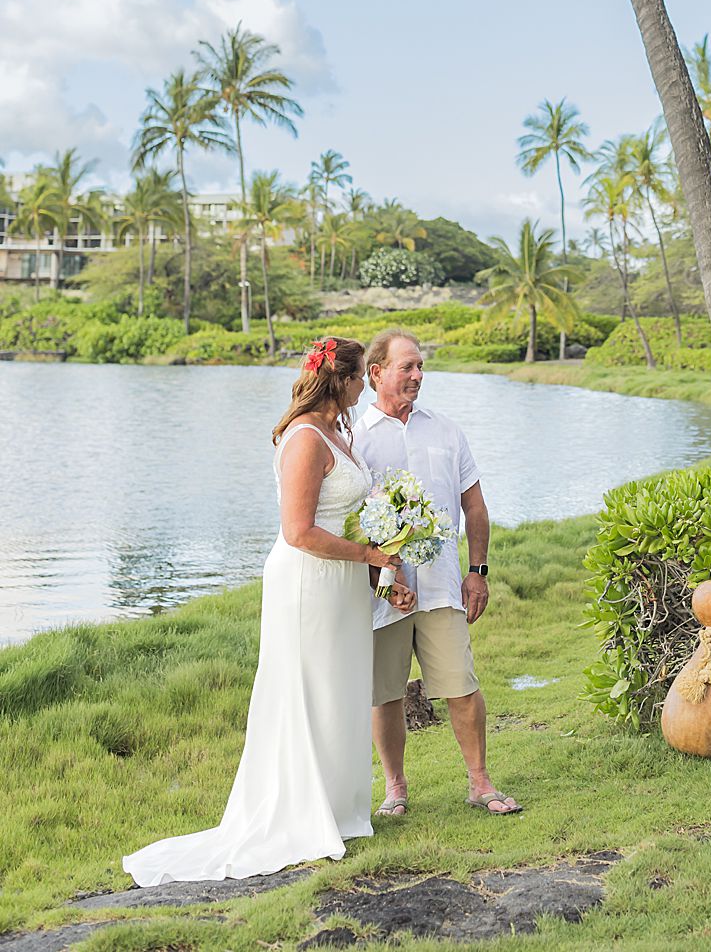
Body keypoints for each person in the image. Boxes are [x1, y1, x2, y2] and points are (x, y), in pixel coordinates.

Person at [123, 337, 415, 886]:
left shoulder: (337, 430)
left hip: (344, 581)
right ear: (345, 380)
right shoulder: (306, 436)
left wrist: (381, 576)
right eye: (358, 380)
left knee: (337, 688)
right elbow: (300, 532)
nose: (362, 389)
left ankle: (335, 805)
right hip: (308, 581)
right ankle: (297, 812)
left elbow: (348, 521)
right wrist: (374, 555)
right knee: (304, 688)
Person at [358, 329, 521, 818]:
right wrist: (383, 578)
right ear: (376, 373)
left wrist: (477, 571)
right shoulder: (354, 440)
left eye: (421, 366)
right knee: (384, 693)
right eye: (407, 367)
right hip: (384, 592)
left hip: (443, 585)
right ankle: (395, 788)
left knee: (462, 686)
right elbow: (349, 524)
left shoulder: (447, 430)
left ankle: (480, 783)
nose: (417, 375)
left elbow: (475, 506)